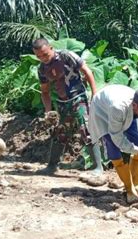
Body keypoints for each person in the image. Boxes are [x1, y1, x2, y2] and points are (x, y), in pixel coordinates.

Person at [32, 38, 103, 176]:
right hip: (62, 102)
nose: (43, 58)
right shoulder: (42, 69)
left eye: (45, 54)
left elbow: (87, 71)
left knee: (86, 130)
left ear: (51, 48)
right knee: (59, 133)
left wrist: (95, 94)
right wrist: (48, 110)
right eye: (39, 56)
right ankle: (52, 165)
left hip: (78, 98)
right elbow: (45, 92)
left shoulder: (66, 56)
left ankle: (98, 167)